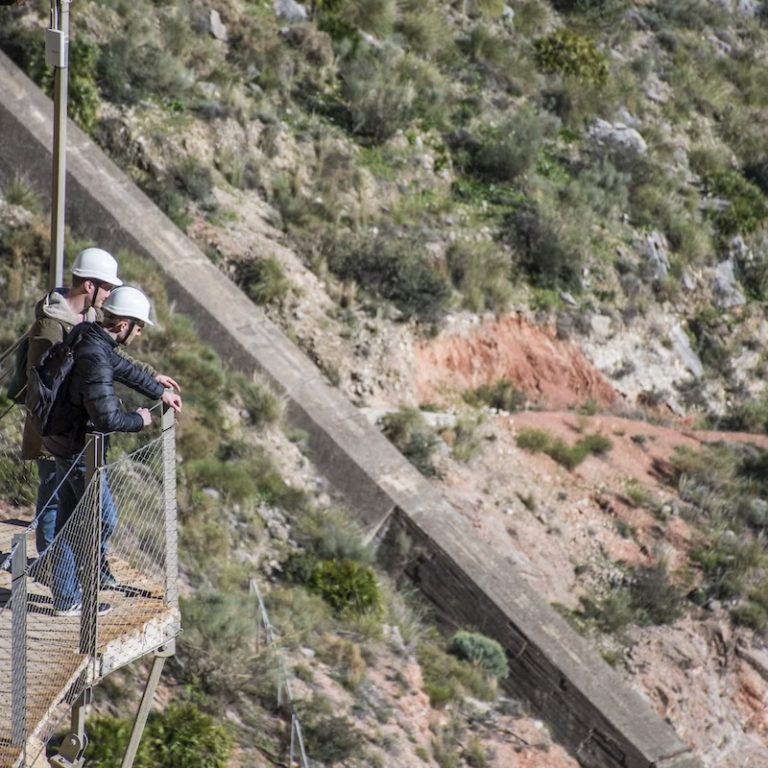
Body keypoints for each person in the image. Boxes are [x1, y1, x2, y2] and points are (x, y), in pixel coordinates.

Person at [44, 286, 182, 616]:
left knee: (68, 516)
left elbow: (122, 368)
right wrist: (141, 418)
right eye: (140, 327)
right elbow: (107, 417)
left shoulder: (89, 335)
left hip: (63, 438)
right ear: (124, 325)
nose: (140, 333)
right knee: (102, 518)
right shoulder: (95, 357)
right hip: (78, 448)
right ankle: (78, 586)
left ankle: (65, 596)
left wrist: (158, 390)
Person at [22, 248, 122, 558]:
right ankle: (51, 566)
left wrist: (150, 377)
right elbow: (43, 385)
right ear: (89, 286)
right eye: (106, 287)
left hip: (68, 430)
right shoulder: (50, 327)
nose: (109, 294)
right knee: (53, 497)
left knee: (61, 499)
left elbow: (109, 359)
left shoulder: (88, 320)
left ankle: (55, 568)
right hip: (51, 427)